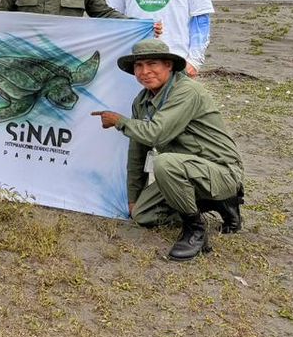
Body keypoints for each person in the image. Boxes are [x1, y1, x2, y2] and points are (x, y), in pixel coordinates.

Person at [91, 39, 244, 262]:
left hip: (220, 170)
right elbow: (137, 152)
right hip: (186, 170)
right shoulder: (142, 101)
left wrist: (119, 121)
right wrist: (133, 199)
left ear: (169, 65)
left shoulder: (186, 91)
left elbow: (156, 134)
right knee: (142, 215)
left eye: (152, 64)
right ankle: (215, 203)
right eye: (138, 66)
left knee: (164, 164)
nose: (145, 72)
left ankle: (195, 229)